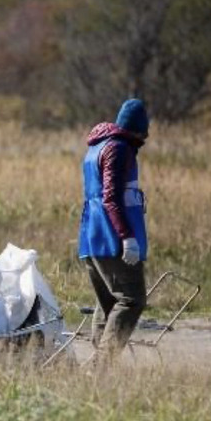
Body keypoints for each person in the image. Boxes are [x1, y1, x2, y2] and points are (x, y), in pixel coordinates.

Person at [78, 98, 150, 366]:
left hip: (91, 237)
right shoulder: (119, 149)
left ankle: (97, 375)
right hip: (111, 238)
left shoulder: (96, 147)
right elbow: (111, 197)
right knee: (131, 300)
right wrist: (127, 237)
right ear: (138, 129)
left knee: (108, 303)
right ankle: (99, 367)